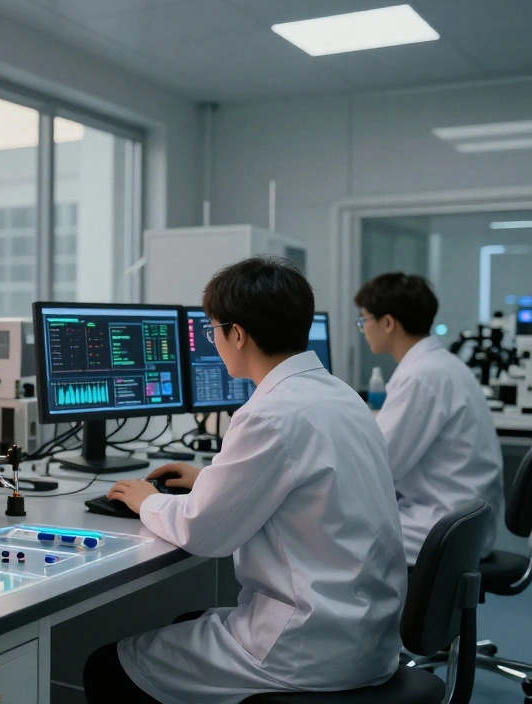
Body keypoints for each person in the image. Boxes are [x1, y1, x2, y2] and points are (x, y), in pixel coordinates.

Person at [82, 257, 406, 704]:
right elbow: (302, 484)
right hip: (367, 634)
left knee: (105, 667)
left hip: (306, 645)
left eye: (212, 328)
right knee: (186, 621)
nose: (212, 340)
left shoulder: (269, 413)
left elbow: (204, 531)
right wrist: (209, 479)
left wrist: (146, 500)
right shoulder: (339, 394)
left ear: (236, 333)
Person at [355, 272, 504, 565]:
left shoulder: (421, 376)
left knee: (337, 535)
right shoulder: (441, 365)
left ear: (387, 323)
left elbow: (380, 467)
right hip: (464, 522)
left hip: (443, 525)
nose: (363, 329)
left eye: (364, 320)